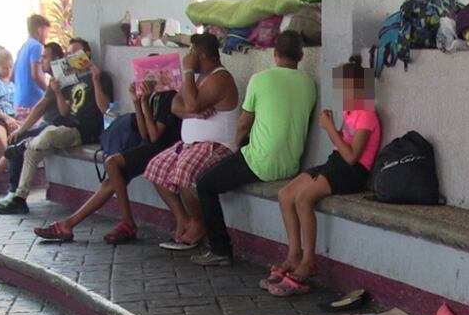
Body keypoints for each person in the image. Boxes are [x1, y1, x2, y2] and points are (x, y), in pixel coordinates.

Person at [190, 31, 317, 267]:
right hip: (290, 164)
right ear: (301, 55)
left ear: (275, 53)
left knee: (205, 183)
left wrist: (237, 147)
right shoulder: (309, 84)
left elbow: (243, 125)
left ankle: (220, 250)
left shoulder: (260, 79)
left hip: (260, 162)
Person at [264, 55, 379, 295]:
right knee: (286, 195)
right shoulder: (350, 111)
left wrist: (329, 129)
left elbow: (352, 157)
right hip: (335, 163)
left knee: (304, 199)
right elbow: (341, 148)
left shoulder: (366, 113)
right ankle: (293, 254)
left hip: (353, 172)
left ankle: (308, 262)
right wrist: (335, 128)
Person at [32, 80, 181, 243]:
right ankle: (68, 224)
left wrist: (144, 102)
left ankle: (127, 222)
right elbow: (144, 133)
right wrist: (138, 102)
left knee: (112, 163)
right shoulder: (154, 97)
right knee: (110, 182)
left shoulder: (169, 96)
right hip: (148, 146)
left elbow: (154, 137)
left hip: (161, 149)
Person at [141, 33, 239, 249]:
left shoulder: (220, 77)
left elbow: (192, 103)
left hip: (217, 145)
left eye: (191, 53)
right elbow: (176, 104)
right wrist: (193, 112)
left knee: (185, 171)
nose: (188, 57)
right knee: (156, 167)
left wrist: (186, 72)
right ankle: (184, 219)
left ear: (201, 55)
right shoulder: (196, 79)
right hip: (189, 145)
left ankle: (198, 222)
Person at [0, 38, 113, 215]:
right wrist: (58, 92)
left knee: (47, 137)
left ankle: (25, 144)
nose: (72, 56)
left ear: (87, 54)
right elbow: (64, 111)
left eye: (76, 52)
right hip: (65, 125)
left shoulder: (100, 77)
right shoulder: (72, 79)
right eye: (70, 53)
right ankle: (20, 197)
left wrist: (95, 80)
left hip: (84, 131)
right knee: (33, 151)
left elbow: (104, 108)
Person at [0, 41, 64, 204]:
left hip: (55, 127)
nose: (40, 60)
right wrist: (19, 127)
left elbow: (41, 107)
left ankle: (8, 189)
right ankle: (3, 187)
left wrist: (20, 128)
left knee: (18, 141)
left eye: (44, 57)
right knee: (16, 140)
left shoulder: (58, 80)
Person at [13, 15, 51, 122]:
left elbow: (13, 75)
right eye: (46, 32)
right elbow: (36, 75)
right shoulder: (37, 47)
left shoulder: (23, 47)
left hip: (19, 102)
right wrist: (50, 91)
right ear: (39, 30)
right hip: (32, 103)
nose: (47, 36)